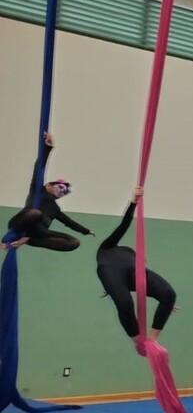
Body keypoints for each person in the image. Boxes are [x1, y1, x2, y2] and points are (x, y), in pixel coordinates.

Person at [95, 187, 176, 345]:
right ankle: (138, 341)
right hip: (110, 271)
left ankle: (152, 340)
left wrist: (166, 304)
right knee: (125, 303)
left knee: (168, 294)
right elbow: (123, 226)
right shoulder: (109, 247)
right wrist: (133, 202)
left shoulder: (137, 267)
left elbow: (146, 287)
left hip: (130, 277)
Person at [5, 133, 93, 252]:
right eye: (61, 188)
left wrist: (86, 231)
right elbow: (39, 168)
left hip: (37, 234)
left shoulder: (55, 209)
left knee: (74, 242)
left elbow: (69, 222)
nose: (62, 192)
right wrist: (47, 148)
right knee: (34, 213)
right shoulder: (37, 191)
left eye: (65, 192)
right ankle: (16, 238)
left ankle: (27, 238)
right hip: (20, 224)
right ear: (48, 186)